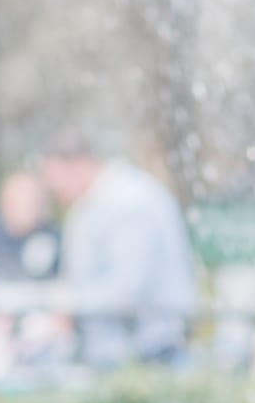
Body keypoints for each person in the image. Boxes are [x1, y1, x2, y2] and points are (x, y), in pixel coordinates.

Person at [39, 133, 197, 364]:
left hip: (151, 354)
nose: (57, 194)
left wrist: (70, 302)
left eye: (59, 184)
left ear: (81, 165)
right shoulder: (91, 204)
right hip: (118, 354)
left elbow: (128, 289)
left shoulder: (129, 202)